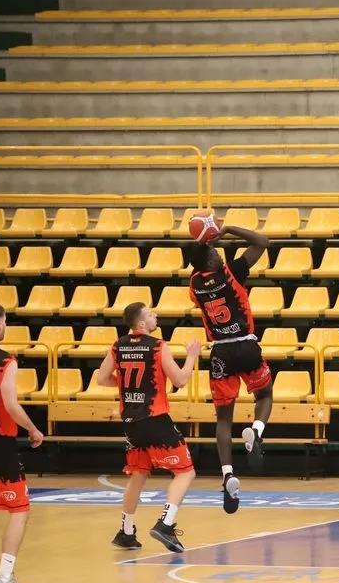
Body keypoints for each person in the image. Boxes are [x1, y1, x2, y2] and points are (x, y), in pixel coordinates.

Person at [97, 302, 200, 553]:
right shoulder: (158, 347)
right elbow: (181, 380)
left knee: (139, 474)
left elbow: (101, 378)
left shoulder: (117, 345)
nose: (156, 316)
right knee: (185, 472)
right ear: (142, 324)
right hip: (155, 418)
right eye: (151, 314)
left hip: (131, 420)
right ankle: (165, 524)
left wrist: (126, 386)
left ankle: (126, 532)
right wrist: (192, 356)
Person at [188, 224, 272, 513]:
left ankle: (227, 475)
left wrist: (202, 240)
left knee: (223, 419)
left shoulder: (194, 285)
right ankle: (257, 431)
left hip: (221, 351)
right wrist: (228, 229)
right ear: (211, 262)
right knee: (264, 396)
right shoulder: (232, 272)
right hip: (246, 345)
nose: (219, 254)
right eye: (214, 251)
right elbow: (262, 242)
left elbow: (197, 263)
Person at [0, 303, 43, 583]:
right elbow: (10, 404)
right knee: (19, 508)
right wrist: (33, 429)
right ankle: (4, 577)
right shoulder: (4, 360)